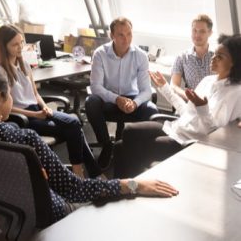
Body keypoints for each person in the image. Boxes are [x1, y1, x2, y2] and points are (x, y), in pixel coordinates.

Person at [0, 62, 178, 225]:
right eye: (10, 92)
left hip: (0, 213)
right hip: (48, 215)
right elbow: (75, 189)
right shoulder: (23, 139)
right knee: (119, 212)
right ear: (1, 98)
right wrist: (132, 185)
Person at [114, 34, 241, 178]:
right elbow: (187, 112)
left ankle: (129, 187)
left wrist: (203, 108)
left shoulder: (236, 93)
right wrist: (165, 88)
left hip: (191, 141)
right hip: (177, 128)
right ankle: (126, 187)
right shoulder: (208, 80)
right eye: (215, 54)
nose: (213, 58)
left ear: (234, 63)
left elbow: (213, 132)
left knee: (127, 148)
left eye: (220, 56)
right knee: (127, 133)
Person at [0, 24, 101, 179]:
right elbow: (6, 108)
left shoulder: (23, 65)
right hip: (24, 117)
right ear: (4, 46)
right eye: (15, 44)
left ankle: (82, 174)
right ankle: (84, 173)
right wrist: (35, 114)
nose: (20, 47)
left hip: (37, 109)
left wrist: (45, 108)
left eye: (21, 42)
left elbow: (35, 94)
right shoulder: (1, 72)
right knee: (74, 127)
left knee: (74, 124)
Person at [85, 17, 158, 169]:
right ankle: (106, 145)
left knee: (152, 110)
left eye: (129, 34)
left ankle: (138, 151)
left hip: (132, 98)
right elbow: (96, 86)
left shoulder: (141, 55)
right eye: (121, 35)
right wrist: (116, 99)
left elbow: (146, 90)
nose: (126, 39)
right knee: (91, 102)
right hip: (108, 99)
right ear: (112, 35)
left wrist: (135, 102)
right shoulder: (100, 53)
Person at [171, 14, 214, 101]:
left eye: (202, 31)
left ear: (210, 33)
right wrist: (188, 96)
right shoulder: (182, 57)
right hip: (190, 104)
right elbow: (174, 86)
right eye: (194, 30)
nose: (197, 35)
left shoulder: (217, 56)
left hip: (213, 103)